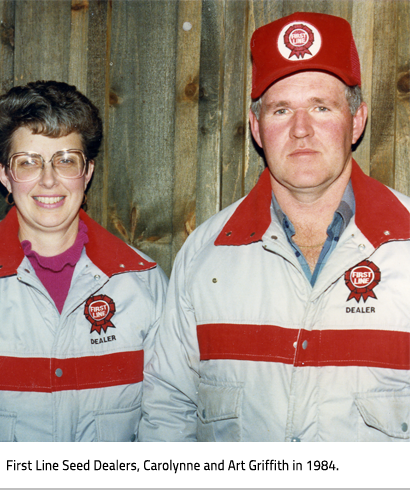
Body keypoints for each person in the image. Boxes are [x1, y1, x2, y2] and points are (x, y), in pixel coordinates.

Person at [139, 12, 410, 442]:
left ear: (356, 120)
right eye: (281, 110)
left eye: (321, 107)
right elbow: (168, 410)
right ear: (257, 128)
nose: (301, 130)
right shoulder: (205, 253)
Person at [0, 80, 167, 442]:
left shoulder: (144, 283)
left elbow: (166, 425)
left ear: (87, 173)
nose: (48, 180)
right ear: (4, 176)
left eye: (66, 161)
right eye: (27, 163)